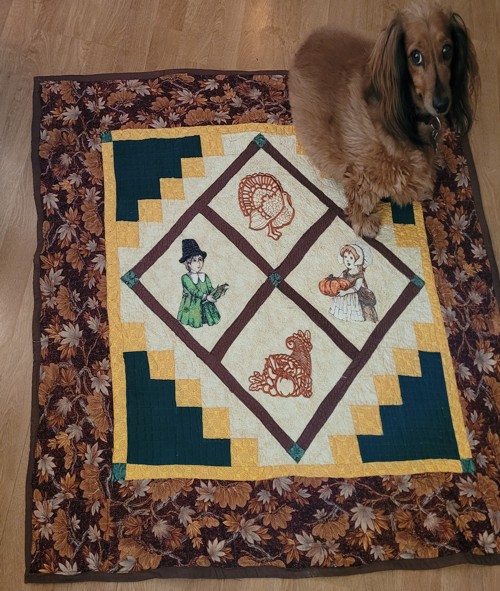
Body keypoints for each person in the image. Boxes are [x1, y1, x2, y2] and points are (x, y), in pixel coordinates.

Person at [177, 239, 222, 328]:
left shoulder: (204, 276)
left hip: (206, 304)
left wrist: (217, 292)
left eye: (200, 259)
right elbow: (193, 290)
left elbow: (210, 288)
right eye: (194, 260)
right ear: (188, 263)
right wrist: (206, 297)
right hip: (192, 307)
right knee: (194, 322)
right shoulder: (185, 277)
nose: (199, 263)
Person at [328, 243, 378, 323]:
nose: (347, 260)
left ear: (356, 259)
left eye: (351, 257)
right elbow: (338, 281)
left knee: (352, 314)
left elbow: (356, 288)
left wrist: (345, 292)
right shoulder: (345, 272)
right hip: (343, 296)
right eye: (345, 257)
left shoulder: (359, 274)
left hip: (353, 297)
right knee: (342, 313)